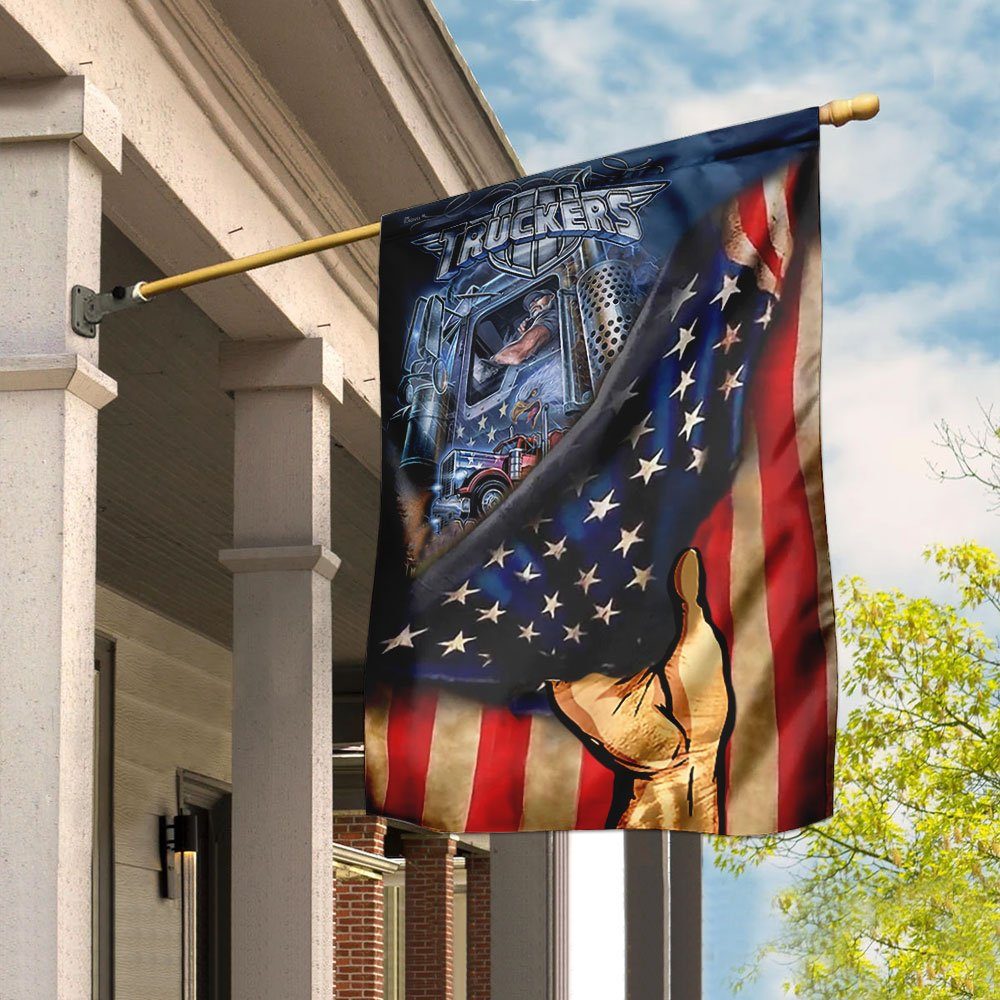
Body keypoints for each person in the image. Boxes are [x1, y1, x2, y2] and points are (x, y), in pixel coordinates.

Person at [491, 288, 558, 365]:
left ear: (551, 296)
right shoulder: (535, 322)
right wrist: (524, 334)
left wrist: (494, 362)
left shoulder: (551, 314)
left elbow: (517, 353)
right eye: (530, 305)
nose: (533, 305)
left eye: (536, 299)